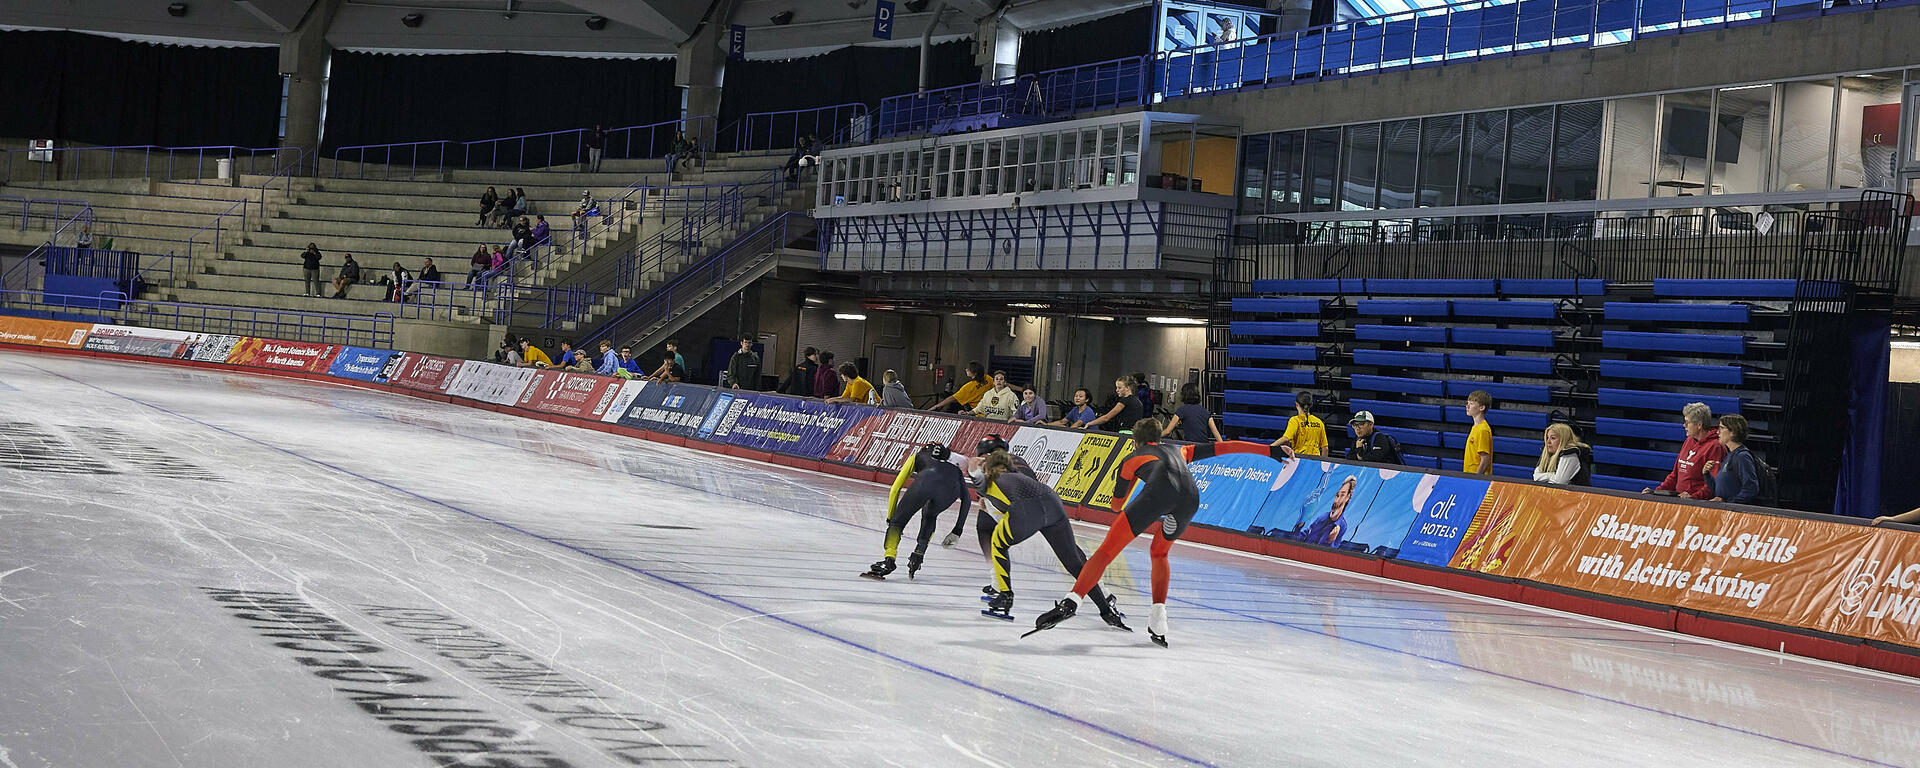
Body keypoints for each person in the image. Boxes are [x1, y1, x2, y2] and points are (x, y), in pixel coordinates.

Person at [1030, 418, 1198, 647]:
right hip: (1189, 501)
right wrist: (1255, 448)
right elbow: (1225, 447)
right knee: (1159, 553)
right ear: (1159, 437)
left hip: (1153, 499)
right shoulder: (1179, 450)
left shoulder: (1132, 457)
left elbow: (1116, 505)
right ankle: (1159, 619)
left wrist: (1130, 480)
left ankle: (1072, 601)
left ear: (1134, 441)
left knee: (1106, 552)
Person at [971, 450, 1129, 631]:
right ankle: (1107, 610)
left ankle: (1005, 596)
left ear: (989, 470)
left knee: (998, 544)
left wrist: (977, 470)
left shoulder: (989, 481)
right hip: (1052, 502)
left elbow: (976, 476)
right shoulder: (1018, 476)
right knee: (1074, 563)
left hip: (1027, 509)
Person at [861, 443, 973, 581]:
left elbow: (896, 488)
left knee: (897, 522)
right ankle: (919, 554)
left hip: (926, 481)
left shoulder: (917, 456)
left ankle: (889, 560)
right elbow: (967, 500)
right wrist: (957, 530)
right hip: (949, 492)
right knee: (930, 515)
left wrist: (891, 517)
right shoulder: (954, 467)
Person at [1644, 402, 1728, 499]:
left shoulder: (1715, 447)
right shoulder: (1688, 441)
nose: (1684, 425)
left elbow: (1713, 483)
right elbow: (1675, 475)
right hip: (1681, 500)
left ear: (1699, 425)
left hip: (1698, 503)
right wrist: (1655, 492)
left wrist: (1694, 497)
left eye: (1688, 422)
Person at [1710, 414, 1760, 504]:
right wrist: (1706, 474)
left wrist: (1729, 503)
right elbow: (1720, 489)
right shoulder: (1730, 455)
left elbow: (1751, 488)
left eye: (1721, 428)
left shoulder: (1742, 456)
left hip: (1734, 510)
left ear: (1733, 432)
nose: (1717, 432)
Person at [1302, 476, 1358, 547]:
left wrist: (1330, 541)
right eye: (1337, 495)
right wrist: (1300, 525)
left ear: (1347, 497)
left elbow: (1334, 549)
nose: (1337, 500)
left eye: (1342, 495)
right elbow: (1306, 533)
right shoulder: (1323, 517)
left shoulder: (1342, 526)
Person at [1271, 392, 1328, 457]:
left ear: (1296, 404)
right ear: (1311, 405)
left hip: (1300, 458)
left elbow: (1286, 438)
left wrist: (1269, 447)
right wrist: (1323, 462)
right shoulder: (1319, 422)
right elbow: (1325, 448)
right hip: (1315, 460)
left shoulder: (1295, 420)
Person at [1464, 390, 1493, 475]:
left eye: (1471, 404)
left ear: (1481, 407)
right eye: (1467, 403)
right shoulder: (1475, 428)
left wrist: (1476, 479)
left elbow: (1485, 460)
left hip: (1476, 478)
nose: (1467, 406)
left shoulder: (1483, 430)